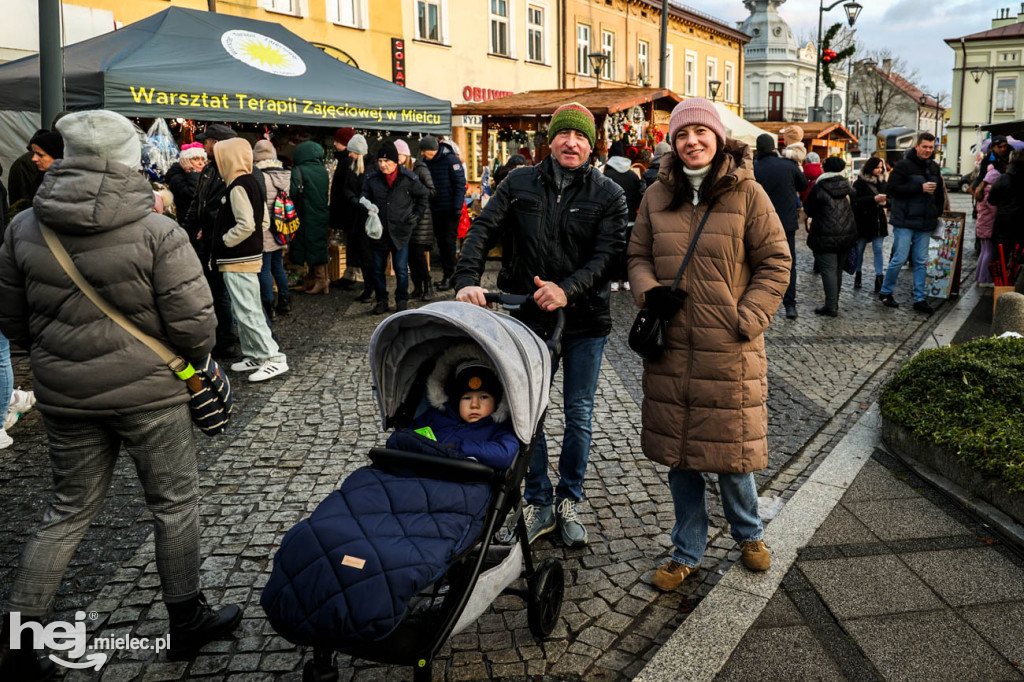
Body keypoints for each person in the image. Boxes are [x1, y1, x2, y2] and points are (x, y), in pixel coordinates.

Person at [0, 111, 241, 678]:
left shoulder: (25, 226)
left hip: (65, 395)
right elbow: (196, 329)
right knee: (174, 507)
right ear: (129, 158)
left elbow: (12, 323)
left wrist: (60, 359)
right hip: (152, 395)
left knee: (65, 513)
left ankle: (16, 643)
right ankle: (185, 620)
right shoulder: (157, 228)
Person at [626, 98, 790, 591]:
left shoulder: (749, 193)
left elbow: (776, 262)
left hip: (729, 348)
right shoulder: (655, 195)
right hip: (671, 346)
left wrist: (748, 318)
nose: (692, 141)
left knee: (732, 454)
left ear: (718, 138)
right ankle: (686, 549)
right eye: (682, 135)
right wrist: (649, 292)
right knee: (681, 458)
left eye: (701, 132)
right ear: (672, 144)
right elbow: (636, 255)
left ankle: (749, 533)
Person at [455, 102, 628, 548]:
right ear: (550, 140)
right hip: (527, 319)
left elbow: (608, 255)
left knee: (580, 415)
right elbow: (482, 229)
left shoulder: (608, 193)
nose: (573, 143)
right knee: (528, 411)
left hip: (585, 320)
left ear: (592, 145)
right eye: (565, 135)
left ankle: (569, 499)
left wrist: (568, 289)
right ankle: (537, 499)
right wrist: (466, 281)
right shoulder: (519, 181)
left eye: (582, 137)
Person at [386, 350, 518, 469]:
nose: (474, 405)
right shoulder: (435, 416)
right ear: (456, 401)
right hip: (418, 471)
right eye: (467, 398)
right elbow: (405, 435)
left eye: (483, 397)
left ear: (497, 401)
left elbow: (504, 454)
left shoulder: (499, 428)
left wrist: (457, 448)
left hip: (459, 482)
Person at [182, 123, 240, 359]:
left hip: (224, 243)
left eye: (206, 142)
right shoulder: (210, 170)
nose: (204, 146)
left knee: (223, 294)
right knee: (214, 292)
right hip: (208, 241)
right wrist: (186, 231)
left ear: (217, 144)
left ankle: (227, 340)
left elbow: (231, 212)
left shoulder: (234, 171)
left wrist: (213, 230)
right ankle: (219, 337)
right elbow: (199, 202)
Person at [879, 133, 946, 314]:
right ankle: (885, 292)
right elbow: (891, 189)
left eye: (931, 147)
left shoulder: (934, 167)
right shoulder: (904, 165)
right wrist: (919, 188)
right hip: (905, 220)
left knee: (921, 261)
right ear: (917, 146)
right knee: (899, 259)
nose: (927, 150)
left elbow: (939, 193)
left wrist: (937, 213)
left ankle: (919, 298)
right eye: (925, 146)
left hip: (925, 221)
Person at [361, 141, 429, 315]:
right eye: (380, 161)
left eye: (387, 162)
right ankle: (382, 300)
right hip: (379, 231)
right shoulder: (372, 179)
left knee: (400, 269)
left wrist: (416, 215)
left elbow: (423, 196)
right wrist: (367, 206)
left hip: (401, 230)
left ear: (395, 162)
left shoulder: (408, 178)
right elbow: (363, 197)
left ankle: (401, 300)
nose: (383, 165)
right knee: (377, 270)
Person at [753, 133, 807, 319]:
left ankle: (760, 302)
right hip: (785, 223)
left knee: (758, 264)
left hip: (759, 225)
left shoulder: (753, 168)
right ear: (774, 148)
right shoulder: (789, 166)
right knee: (788, 264)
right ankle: (790, 305)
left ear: (758, 149)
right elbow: (803, 185)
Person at [804, 156, 858, 317]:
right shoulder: (847, 185)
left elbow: (809, 209)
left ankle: (830, 306)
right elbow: (855, 205)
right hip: (846, 233)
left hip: (824, 234)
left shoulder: (819, 187)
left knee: (828, 270)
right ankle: (834, 303)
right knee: (838, 270)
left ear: (825, 169)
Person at [421, 135, 467, 291]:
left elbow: (460, 184)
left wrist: (456, 207)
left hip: (449, 210)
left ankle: (451, 276)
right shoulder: (427, 162)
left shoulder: (451, 160)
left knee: (448, 245)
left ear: (432, 149)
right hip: (434, 209)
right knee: (441, 244)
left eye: (424, 151)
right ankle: (447, 275)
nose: (422, 154)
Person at [253, 139, 292, 318]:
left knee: (264, 269)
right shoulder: (283, 175)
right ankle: (285, 301)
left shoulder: (259, 176)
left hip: (265, 229)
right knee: (278, 266)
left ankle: (268, 307)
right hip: (280, 228)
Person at [397, 139, 438, 301]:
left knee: (418, 254)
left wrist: (415, 193)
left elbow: (432, 191)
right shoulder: (399, 170)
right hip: (407, 217)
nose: (397, 158)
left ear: (405, 154)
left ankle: (428, 286)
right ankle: (418, 287)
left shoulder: (419, 168)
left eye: (399, 155)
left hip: (422, 218)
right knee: (410, 256)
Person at [288, 140, 331, 295]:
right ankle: (314, 279)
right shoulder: (322, 170)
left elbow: (292, 190)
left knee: (309, 246)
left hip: (305, 213)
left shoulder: (298, 170)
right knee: (317, 244)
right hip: (320, 212)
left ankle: (320, 280)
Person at [603, 140, 645, 292]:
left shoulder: (606, 175)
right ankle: (626, 280)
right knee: (628, 251)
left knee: (613, 251)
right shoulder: (633, 176)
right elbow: (640, 196)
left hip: (611, 221)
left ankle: (613, 280)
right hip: (631, 220)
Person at [851, 156, 890, 293]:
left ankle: (879, 278)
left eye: (881, 167)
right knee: (860, 250)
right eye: (877, 167)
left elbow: (891, 199)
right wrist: (873, 199)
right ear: (870, 167)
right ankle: (858, 274)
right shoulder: (859, 183)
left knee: (878, 249)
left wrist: (887, 203)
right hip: (863, 221)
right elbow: (855, 202)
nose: (879, 170)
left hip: (879, 221)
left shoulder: (883, 182)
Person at [988, 149, 1024, 262]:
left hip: (1004, 223)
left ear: (1010, 160)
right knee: (1019, 257)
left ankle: (1003, 278)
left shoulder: (1002, 179)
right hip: (1021, 222)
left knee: (1001, 257)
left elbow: (991, 200)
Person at [165, 142, 206, 224]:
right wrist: (191, 171)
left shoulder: (202, 176)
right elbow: (193, 193)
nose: (201, 163)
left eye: (202, 159)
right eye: (195, 159)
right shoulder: (177, 178)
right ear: (185, 161)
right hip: (186, 224)